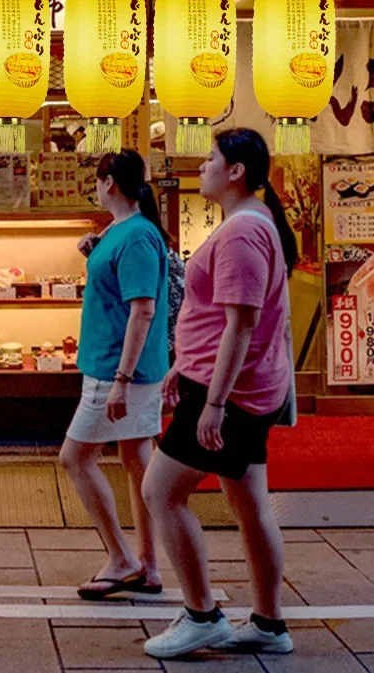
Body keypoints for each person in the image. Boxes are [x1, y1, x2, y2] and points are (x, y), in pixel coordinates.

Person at [142, 128, 296, 660]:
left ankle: (203, 614)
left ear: (235, 172)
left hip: (230, 393)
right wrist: (183, 365)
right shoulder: (251, 225)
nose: (202, 166)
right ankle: (269, 625)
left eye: (211, 158)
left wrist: (210, 401)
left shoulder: (241, 234)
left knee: (160, 491)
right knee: (250, 502)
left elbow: (242, 324)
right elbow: (221, 319)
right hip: (233, 384)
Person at [60, 149, 170, 600]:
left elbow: (142, 310)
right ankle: (148, 565)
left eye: (98, 177)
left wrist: (122, 380)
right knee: (135, 460)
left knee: (75, 457)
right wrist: (94, 247)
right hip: (121, 367)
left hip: (118, 370)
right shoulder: (124, 231)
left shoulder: (138, 237)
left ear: (111, 184)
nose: (95, 184)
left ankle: (122, 557)